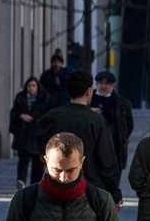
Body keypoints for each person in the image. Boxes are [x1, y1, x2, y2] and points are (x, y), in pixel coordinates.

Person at [37, 71, 122, 206]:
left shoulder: (51, 117)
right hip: (89, 190)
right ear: (89, 91)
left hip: (55, 187)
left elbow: (39, 150)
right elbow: (107, 161)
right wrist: (114, 193)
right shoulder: (96, 120)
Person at [91, 70, 135, 174]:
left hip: (114, 147)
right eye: (101, 83)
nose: (104, 86)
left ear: (112, 85)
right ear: (97, 84)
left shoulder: (123, 103)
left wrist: (122, 138)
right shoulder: (88, 99)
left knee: (112, 179)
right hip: (92, 146)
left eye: (107, 83)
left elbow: (129, 125)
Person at [8, 77, 45, 188]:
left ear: (37, 87)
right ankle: (21, 181)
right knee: (23, 160)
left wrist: (33, 117)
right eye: (29, 86)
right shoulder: (20, 97)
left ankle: (36, 184)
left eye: (34, 86)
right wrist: (21, 116)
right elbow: (14, 112)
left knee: (37, 162)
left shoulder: (43, 98)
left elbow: (46, 114)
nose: (31, 88)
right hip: (23, 135)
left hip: (36, 135)